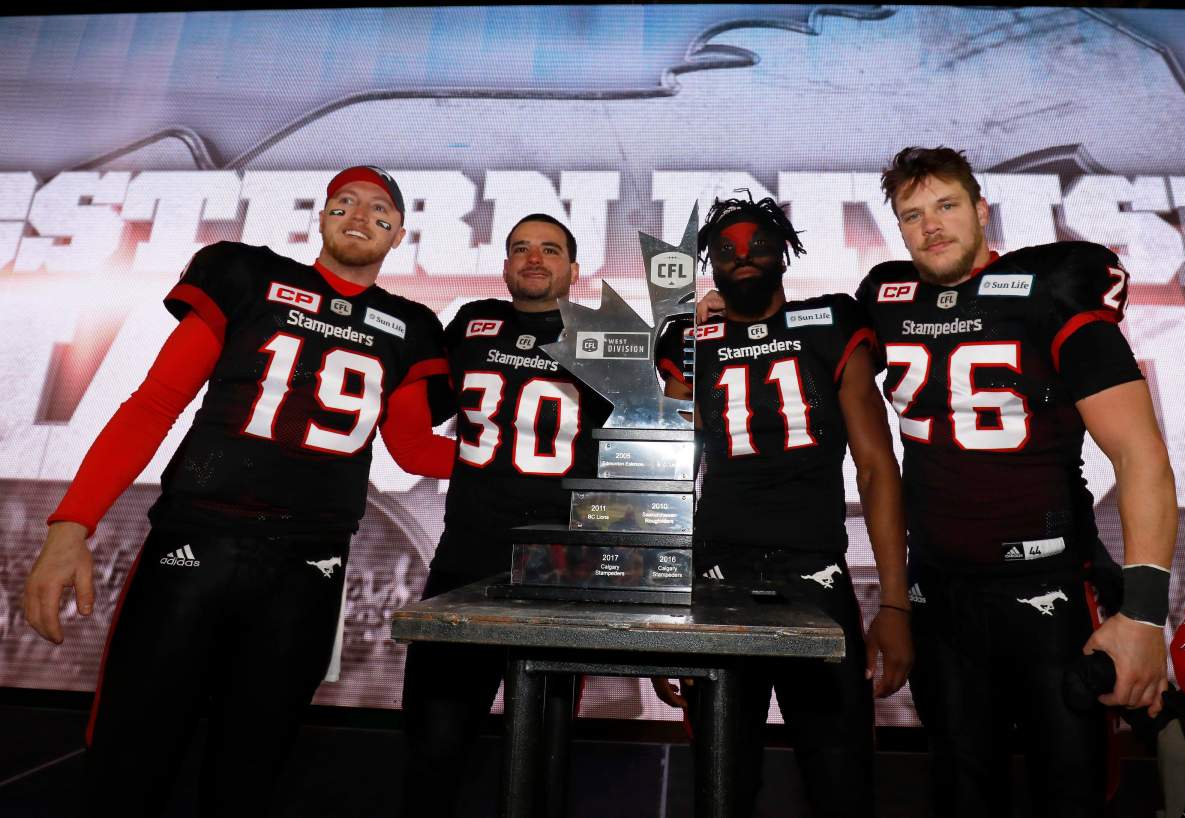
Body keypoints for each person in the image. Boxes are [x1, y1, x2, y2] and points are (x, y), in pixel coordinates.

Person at [22, 166, 453, 817]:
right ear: (324, 216)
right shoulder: (247, 274)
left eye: (379, 209)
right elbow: (156, 401)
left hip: (309, 563)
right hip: (198, 542)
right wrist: (70, 526)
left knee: (252, 766)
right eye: (345, 202)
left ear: (397, 233)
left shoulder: (411, 325)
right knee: (130, 756)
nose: (360, 215)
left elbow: (416, 449)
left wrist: (537, 461)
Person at [855, 146, 1177, 817]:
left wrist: (1145, 612)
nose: (930, 225)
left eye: (946, 205)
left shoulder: (1050, 290)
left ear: (980, 208)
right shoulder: (884, 299)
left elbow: (1139, 452)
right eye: (911, 214)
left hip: (1050, 591)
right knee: (960, 791)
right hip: (941, 596)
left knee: (1071, 792)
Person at [653, 193, 912, 817]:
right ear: (709, 264)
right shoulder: (689, 339)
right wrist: (662, 606)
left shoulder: (832, 322)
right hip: (716, 576)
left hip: (815, 574)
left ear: (785, 255)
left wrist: (897, 604)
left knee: (841, 779)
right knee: (722, 784)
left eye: (758, 245)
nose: (743, 258)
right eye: (726, 250)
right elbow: (667, 471)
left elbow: (877, 467)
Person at [400, 213, 611, 816]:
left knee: (543, 748)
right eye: (520, 248)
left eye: (550, 249)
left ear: (575, 269)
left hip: (561, 563)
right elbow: (419, 416)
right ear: (505, 266)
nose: (534, 259)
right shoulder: (473, 324)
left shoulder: (608, 336)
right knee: (435, 738)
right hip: (467, 550)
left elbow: (644, 444)